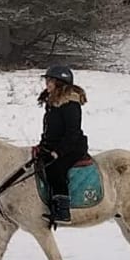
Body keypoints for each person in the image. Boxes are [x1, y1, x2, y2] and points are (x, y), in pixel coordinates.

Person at [35, 64, 89, 225]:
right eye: (47, 81)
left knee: (55, 169)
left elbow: (72, 132)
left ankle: (63, 210)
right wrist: (42, 146)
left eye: (50, 81)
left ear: (60, 83)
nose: (47, 84)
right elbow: (51, 130)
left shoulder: (71, 104)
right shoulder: (52, 102)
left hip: (72, 147)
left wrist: (58, 152)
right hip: (53, 147)